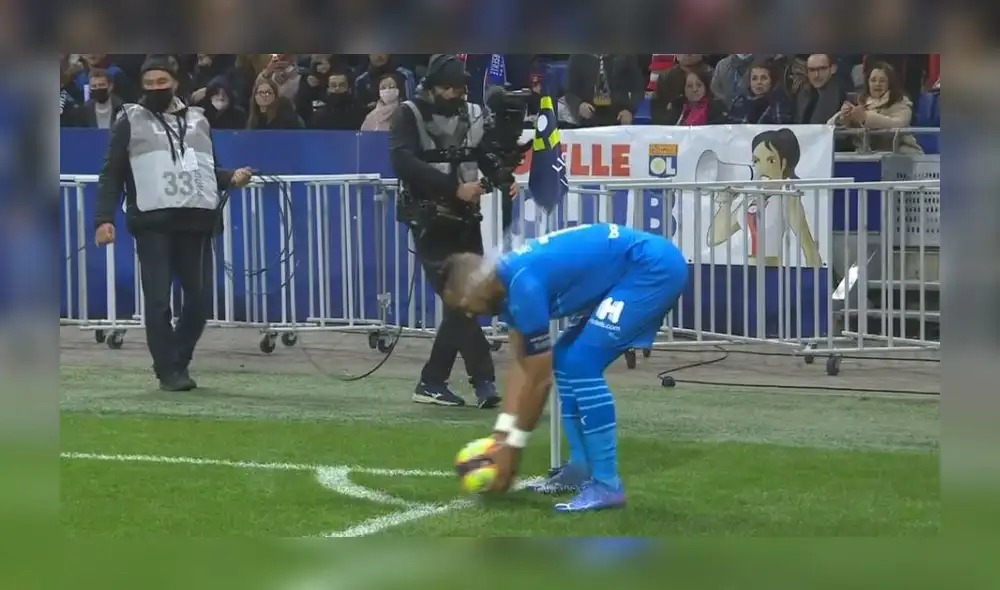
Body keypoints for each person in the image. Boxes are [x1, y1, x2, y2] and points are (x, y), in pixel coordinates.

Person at [439, 223, 689, 512]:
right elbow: (523, 364)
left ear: (478, 284)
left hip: (652, 268)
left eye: (467, 304)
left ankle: (607, 485)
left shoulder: (523, 285)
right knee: (566, 359)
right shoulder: (504, 283)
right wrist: (501, 435)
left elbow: (540, 381)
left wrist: (513, 450)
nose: (470, 313)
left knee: (582, 363)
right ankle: (581, 469)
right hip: (633, 268)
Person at [93, 55, 254, 391]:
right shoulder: (129, 119)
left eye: (161, 82)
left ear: (176, 82)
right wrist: (103, 218)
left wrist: (230, 178)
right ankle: (169, 371)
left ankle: (176, 360)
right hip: (153, 221)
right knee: (158, 301)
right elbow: (112, 172)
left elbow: (207, 168)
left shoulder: (199, 119)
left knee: (199, 302)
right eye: (149, 84)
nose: (155, 89)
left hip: (196, 219)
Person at [388, 54, 504, 409]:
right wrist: (453, 188)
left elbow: (484, 154)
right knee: (463, 301)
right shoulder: (408, 113)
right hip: (429, 221)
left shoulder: (472, 113)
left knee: (467, 303)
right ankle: (482, 381)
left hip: (466, 218)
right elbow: (403, 160)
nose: (455, 93)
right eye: (448, 87)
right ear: (432, 86)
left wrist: (503, 176)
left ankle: (433, 381)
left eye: (460, 87)